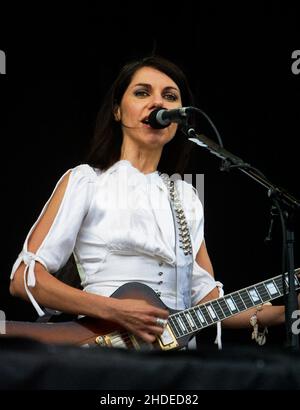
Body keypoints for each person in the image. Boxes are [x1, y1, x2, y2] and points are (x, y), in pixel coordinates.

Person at [9, 55, 297, 348]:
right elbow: (25, 279)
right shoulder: (87, 181)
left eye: (170, 96)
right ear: (118, 111)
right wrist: (114, 309)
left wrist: (287, 313)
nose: (158, 103)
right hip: (102, 347)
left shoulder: (187, 196)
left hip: (177, 362)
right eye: (142, 92)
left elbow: (206, 300)